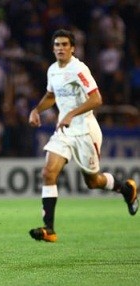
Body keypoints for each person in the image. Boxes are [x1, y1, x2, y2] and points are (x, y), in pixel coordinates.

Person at [28, 29, 138, 242]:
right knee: (48, 172)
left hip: (85, 131)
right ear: (53, 48)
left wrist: (70, 113)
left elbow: (97, 99)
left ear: (72, 48)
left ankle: (126, 189)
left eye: (64, 45)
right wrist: (36, 110)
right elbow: (51, 96)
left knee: (93, 181)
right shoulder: (52, 70)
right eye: (57, 45)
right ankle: (49, 229)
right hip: (64, 130)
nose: (60, 48)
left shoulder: (79, 69)